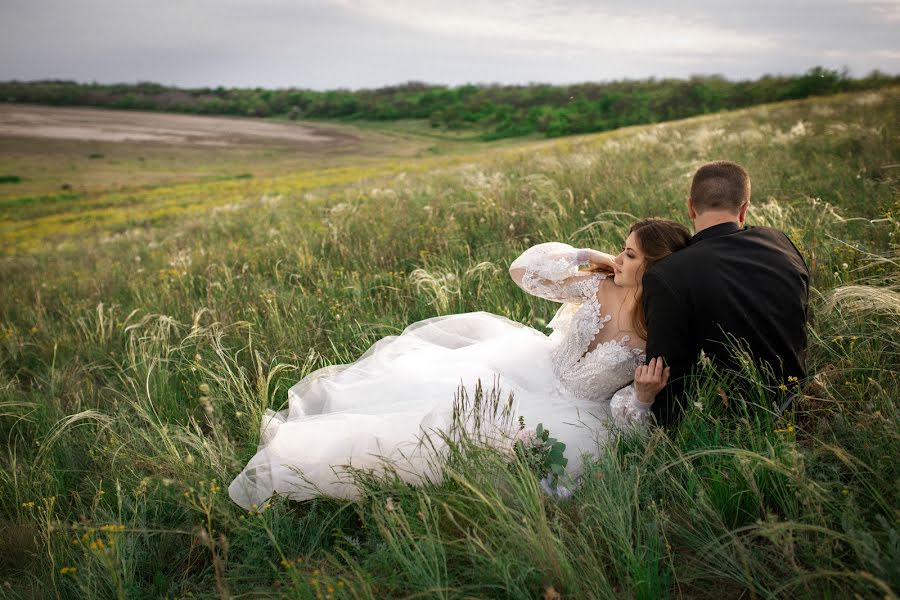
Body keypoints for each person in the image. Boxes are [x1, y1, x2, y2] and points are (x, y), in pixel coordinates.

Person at [228, 219, 690, 510]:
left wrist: (645, 398)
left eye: (629, 254)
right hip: (531, 367)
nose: (620, 256)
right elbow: (522, 271)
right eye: (623, 249)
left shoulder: (655, 333)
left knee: (478, 446)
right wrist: (587, 258)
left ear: (652, 268)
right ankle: (316, 456)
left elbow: (629, 426)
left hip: (576, 414)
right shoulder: (596, 284)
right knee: (429, 395)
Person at [642, 161, 810, 427]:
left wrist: (661, 438)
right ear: (744, 209)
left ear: (690, 207)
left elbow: (667, 372)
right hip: (799, 400)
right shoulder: (780, 241)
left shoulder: (667, 274)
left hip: (730, 422)